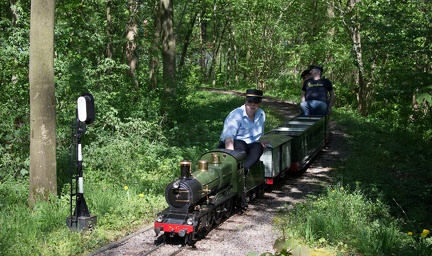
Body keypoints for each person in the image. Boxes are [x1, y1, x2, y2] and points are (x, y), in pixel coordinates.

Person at [218, 89, 269, 172]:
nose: (252, 104)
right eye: (250, 101)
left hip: (249, 145)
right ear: (246, 100)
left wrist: (261, 143)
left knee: (258, 147)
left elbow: (258, 137)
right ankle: (235, 168)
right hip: (232, 145)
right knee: (241, 144)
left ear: (260, 103)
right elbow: (229, 139)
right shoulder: (236, 114)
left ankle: (243, 170)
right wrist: (230, 159)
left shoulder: (261, 114)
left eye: (256, 102)